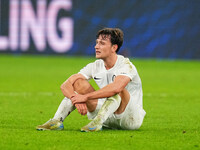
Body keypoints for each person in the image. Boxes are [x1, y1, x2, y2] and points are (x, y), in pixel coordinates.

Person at [36, 28, 146, 132]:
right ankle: (56, 120)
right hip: (106, 115)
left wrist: (85, 97)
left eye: (102, 43)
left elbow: (116, 88)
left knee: (117, 90)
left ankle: (98, 122)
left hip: (129, 118)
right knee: (78, 83)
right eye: (97, 42)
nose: (96, 47)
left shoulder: (126, 65)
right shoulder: (95, 66)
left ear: (114, 48)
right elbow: (65, 85)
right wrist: (75, 99)